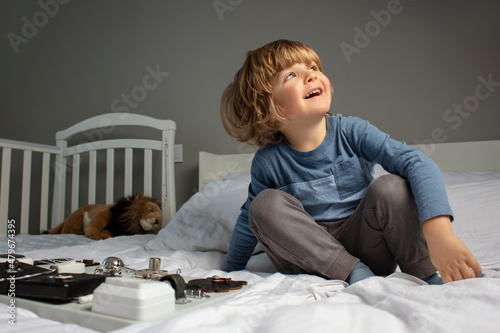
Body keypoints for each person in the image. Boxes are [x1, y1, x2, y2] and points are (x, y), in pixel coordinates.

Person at [219, 39, 481, 285]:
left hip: (370, 249)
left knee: (392, 186)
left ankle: (425, 274)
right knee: (263, 205)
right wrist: (228, 272)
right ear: (267, 108)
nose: (311, 75)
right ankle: (353, 272)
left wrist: (440, 234)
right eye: (291, 75)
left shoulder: (352, 131)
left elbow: (417, 163)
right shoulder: (268, 161)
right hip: (312, 263)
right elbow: (249, 221)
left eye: (312, 67)